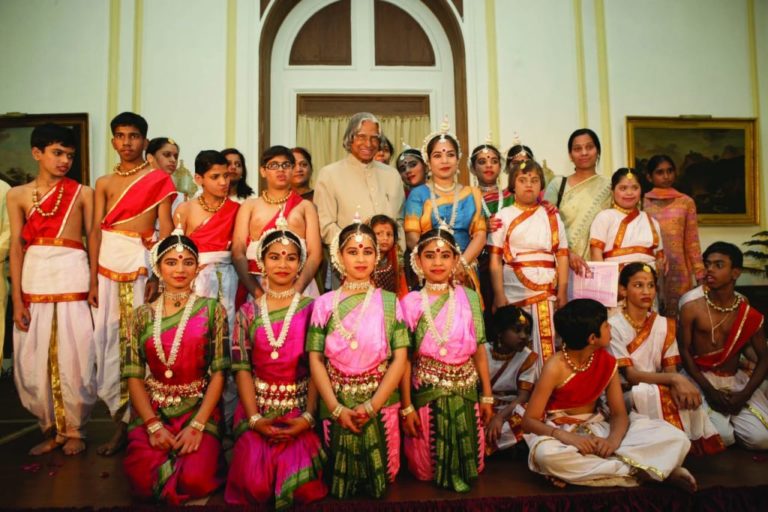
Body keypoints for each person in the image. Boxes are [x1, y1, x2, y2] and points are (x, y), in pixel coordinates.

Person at [522, 299, 696, 490]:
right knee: (546, 456)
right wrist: (567, 437)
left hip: (599, 429)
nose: (611, 329)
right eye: (606, 326)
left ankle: (593, 473)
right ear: (592, 338)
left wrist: (612, 442)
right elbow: (529, 421)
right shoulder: (555, 366)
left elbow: (619, 414)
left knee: (675, 437)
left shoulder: (608, 361)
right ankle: (646, 471)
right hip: (561, 435)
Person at [88, 112, 177, 456]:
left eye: (134, 136)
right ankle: (119, 419)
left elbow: (165, 229)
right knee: (108, 340)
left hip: (142, 268)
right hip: (107, 268)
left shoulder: (158, 179)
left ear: (145, 141)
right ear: (113, 141)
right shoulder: (104, 182)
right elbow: (96, 230)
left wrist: (158, 273)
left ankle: (138, 424)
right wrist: (93, 277)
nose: (127, 142)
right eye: (121, 136)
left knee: (142, 343)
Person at [8, 124, 96, 456]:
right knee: (36, 354)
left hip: (72, 271)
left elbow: (92, 239)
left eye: (70, 156)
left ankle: (75, 429)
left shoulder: (82, 192)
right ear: (37, 153)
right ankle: (51, 428)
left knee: (76, 352)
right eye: (57, 153)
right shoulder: (16, 195)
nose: (64, 161)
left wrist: (92, 285)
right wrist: (17, 299)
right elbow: (17, 248)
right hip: (35, 274)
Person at [225, 224, 327, 509]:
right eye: (275, 256)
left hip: (299, 410)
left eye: (291, 257)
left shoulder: (313, 309)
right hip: (255, 408)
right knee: (255, 486)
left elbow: (318, 367)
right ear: (262, 264)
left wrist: (307, 417)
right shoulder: (247, 312)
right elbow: (242, 368)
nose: (282, 264)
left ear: (300, 265)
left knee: (302, 488)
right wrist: (255, 419)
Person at [122, 233, 229, 504]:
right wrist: (152, 425)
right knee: (143, 481)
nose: (180, 269)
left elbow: (219, 373)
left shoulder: (212, 310)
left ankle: (208, 454)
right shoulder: (141, 316)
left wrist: (198, 424)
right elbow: (133, 376)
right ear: (158, 267)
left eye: (188, 262)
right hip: (155, 408)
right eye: (171, 262)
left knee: (195, 480)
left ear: (198, 267)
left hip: (199, 408)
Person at [306, 221, 409, 499]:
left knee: (385, 478)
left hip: (381, 403)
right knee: (338, 486)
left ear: (377, 256)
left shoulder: (390, 302)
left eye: (367, 251)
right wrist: (335, 408)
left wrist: (372, 405)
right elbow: (315, 360)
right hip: (335, 403)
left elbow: (400, 359)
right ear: (339, 257)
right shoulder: (324, 304)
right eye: (352, 251)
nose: (361, 258)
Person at [400, 228, 493, 492]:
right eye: (430, 256)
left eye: (444, 255)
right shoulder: (410, 302)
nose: (437, 262)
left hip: (466, 392)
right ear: (418, 261)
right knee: (424, 469)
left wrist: (486, 395)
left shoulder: (470, 298)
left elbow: (479, 351)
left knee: (473, 465)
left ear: (455, 260)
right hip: (426, 395)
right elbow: (404, 360)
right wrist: (406, 407)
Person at [609, 263, 724, 455]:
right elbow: (631, 375)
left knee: (684, 399)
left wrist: (676, 384)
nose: (647, 291)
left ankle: (678, 447)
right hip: (627, 393)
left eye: (651, 285)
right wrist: (675, 380)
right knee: (659, 395)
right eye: (638, 285)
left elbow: (670, 369)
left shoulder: (664, 324)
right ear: (623, 290)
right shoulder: (613, 326)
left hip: (659, 386)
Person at [679, 242, 768, 450]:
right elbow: (684, 352)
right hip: (700, 379)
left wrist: (744, 394)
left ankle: (732, 416)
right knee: (723, 438)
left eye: (719, 265)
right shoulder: (691, 308)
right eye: (708, 264)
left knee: (761, 440)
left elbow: (764, 357)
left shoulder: (748, 312)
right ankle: (725, 423)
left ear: (735, 272)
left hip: (735, 382)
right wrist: (709, 391)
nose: (710, 270)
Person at [489, 160, 568, 372]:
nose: (528, 185)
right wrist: (499, 294)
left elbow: (561, 254)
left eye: (534, 180)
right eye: (522, 180)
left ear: (541, 185)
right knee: (518, 336)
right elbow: (495, 258)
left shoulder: (551, 215)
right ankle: (522, 391)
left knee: (547, 337)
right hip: (514, 286)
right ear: (513, 185)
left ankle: (548, 388)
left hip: (547, 286)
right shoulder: (503, 216)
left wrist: (562, 290)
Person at [404, 122, 486, 294]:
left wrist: (461, 263)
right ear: (428, 161)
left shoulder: (472, 194)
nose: (444, 160)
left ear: (458, 159)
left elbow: (480, 235)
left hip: (466, 270)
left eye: (450, 155)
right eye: (437, 155)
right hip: (432, 270)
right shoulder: (418, 194)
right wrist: (436, 262)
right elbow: (412, 237)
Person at [232, 146, 321, 301]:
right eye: (274, 165)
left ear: (293, 170)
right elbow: (238, 251)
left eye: (286, 165)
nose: (281, 170)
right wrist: (257, 293)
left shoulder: (306, 206)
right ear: (263, 171)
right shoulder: (250, 206)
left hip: (299, 286)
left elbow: (315, 254)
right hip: (259, 285)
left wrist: (296, 291)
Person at [314, 112, 405, 256]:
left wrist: (397, 253)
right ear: (350, 138)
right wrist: (358, 249)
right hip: (347, 263)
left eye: (374, 138)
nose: (368, 144)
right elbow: (326, 226)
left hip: (390, 263)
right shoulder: (329, 174)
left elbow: (399, 221)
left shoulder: (392, 175)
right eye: (361, 137)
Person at [173, 150, 239, 331]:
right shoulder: (185, 209)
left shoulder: (236, 210)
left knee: (226, 325)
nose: (224, 182)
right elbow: (176, 251)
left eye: (226, 176)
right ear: (198, 179)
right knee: (194, 328)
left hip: (228, 277)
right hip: (193, 279)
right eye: (215, 177)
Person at [543, 129, 611, 275]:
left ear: (598, 151)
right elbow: (545, 225)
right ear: (570, 155)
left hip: (600, 265)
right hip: (563, 263)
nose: (584, 152)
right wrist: (567, 253)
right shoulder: (558, 184)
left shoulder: (610, 187)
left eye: (589, 147)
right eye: (577, 149)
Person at [643, 155, 704, 316]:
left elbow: (692, 241)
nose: (666, 176)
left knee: (680, 318)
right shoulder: (642, 202)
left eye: (670, 171)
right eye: (660, 172)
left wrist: (700, 273)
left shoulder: (686, 202)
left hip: (679, 270)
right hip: (650, 268)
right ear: (649, 177)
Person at [590, 168, 665, 274]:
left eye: (635, 188)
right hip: (615, 281)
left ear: (641, 190)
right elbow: (596, 255)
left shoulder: (651, 221)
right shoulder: (605, 217)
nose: (629, 193)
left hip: (647, 283)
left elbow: (660, 259)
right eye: (623, 188)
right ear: (613, 191)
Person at [485, 305, 538, 454]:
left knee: (533, 414)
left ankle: (485, 447)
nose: (523, 336)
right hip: (484, 407)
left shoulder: (528, 357)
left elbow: (522, 397)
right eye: (517, 330)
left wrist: (500, 418)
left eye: (527, 332)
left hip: (510, 409)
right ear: (500, 331)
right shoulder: (481, 351)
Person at [370, 214, 408, 298]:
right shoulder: (365, 260)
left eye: (389, 234)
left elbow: (402, 287)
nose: (385, 238)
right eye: (379, 234)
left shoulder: (396, 258)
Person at [147, 137, 196, 201]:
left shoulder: (181, 198)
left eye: (176, 157)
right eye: (167, 155)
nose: (173, 160)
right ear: (150, 158)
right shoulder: (138, 187)